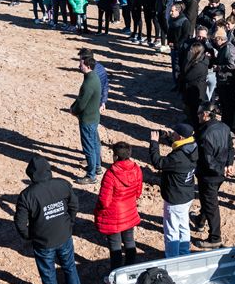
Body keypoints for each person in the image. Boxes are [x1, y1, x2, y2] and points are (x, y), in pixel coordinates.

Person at [15, 155, 81, 284]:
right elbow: (74, 205)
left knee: (48, 274)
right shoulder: (62, 184)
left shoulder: (27, 195)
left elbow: (20, 223)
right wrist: (69, 222)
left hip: (43, 242)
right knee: (70, 266)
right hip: (64, 235)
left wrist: (30, 236)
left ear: (31, 175)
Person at [149, 123, 198, 257]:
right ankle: (184, 253)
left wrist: (154, 143)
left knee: (171, 230)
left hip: (175, 198)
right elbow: (180, 146)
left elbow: (158, 163)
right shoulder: (193, 146)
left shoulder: (178, 158)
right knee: (183, 226)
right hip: (187, 195)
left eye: (175, 133)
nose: (173, 134)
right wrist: (168, 137)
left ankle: (172, 258)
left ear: (181, 137)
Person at [94, 141, 142, 272]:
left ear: (115, 156)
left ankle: (116, 274)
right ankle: (130, 269)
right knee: (129, 241)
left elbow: (104, 201)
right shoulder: (136, 169)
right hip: (129, 212)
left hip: (113, 215)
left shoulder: (110, 174)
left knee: (115, 247)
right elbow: (138, 192)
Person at [193, 102, 233, 250]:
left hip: (209, 176)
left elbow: (208, 162)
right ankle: (200, 221)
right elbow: (231, 148)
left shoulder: (204, 134)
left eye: (199, 113)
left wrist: (221, 169)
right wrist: (229, 164)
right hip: (220, 173)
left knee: (211, 205)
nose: (197, 116)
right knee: (207, 199)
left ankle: (215, 238)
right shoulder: (225, 127)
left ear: (205, 114)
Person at [70, 55, 101, 184]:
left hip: (87, 119)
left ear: (87, 66)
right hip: (94, 117)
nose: (79, 66)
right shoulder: (94, 77)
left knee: (89, 147)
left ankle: (91, 175)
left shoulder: (88, 84)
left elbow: (81, 103)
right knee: (95, 143)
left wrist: (73, 110)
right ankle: (97, 167)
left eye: (81, 64)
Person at [179, 43, 210, 127]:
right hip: (191, 89)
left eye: (191, 50)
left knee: (194, 111)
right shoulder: (197, 60)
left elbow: (187, 76)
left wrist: (187, 60)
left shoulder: (201, 65)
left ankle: (193, 125)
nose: (190, 51)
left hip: (195, 91)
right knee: (190, 108)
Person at [166, 2, 192, 83]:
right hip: (173, 47)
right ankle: (176, 83)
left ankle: (179, 84)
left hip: (181, 49)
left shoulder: (185, 22)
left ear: (178, 11)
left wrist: (176, 45)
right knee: (174, 66)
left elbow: (185, 36)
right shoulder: (171, 19)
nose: (170, 13)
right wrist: (169, 42)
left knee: (179, 67)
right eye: (170, 11)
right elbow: (169, 32)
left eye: (172, 11)